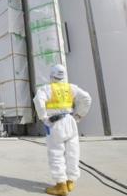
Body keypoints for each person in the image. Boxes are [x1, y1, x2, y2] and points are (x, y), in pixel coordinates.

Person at [33, 64, 91, 196]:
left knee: (56, 153)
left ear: (51, 76)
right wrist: (79, 115)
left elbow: (38, 101)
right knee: (73, 152)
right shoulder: (71, 88)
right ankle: (71, 181)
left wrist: (44, 118)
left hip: (55, 123)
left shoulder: (46, 89)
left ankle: (61, 185)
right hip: (70, 121)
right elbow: (87, 98)